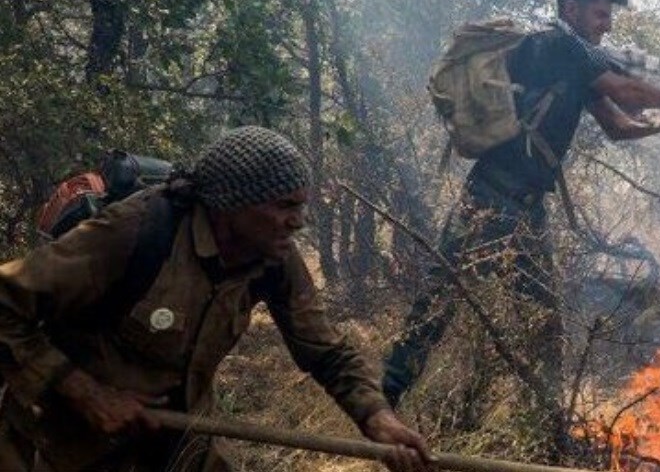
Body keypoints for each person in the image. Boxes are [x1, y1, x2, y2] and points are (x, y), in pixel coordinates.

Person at [382, 0, 660, 443]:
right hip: (490, 198)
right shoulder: (557, 47)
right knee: (438, 307)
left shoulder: (576, 64)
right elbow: (625, 91)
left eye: (609, 17)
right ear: (570, 7)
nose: (607, 25)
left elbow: (619, 126)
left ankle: (544, 432)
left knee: (544, 323)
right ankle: (381, 410)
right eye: (601, 14)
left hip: (527, 209)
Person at [0, 126, 432, 472]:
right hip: (58, 441)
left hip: (176, 438)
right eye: (284, 205)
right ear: (231, 205)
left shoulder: (274, 257)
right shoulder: (135, 232)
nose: (297, 222)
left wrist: (378, 419)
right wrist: (87, 393)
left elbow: (327, 353)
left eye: (301, 206)